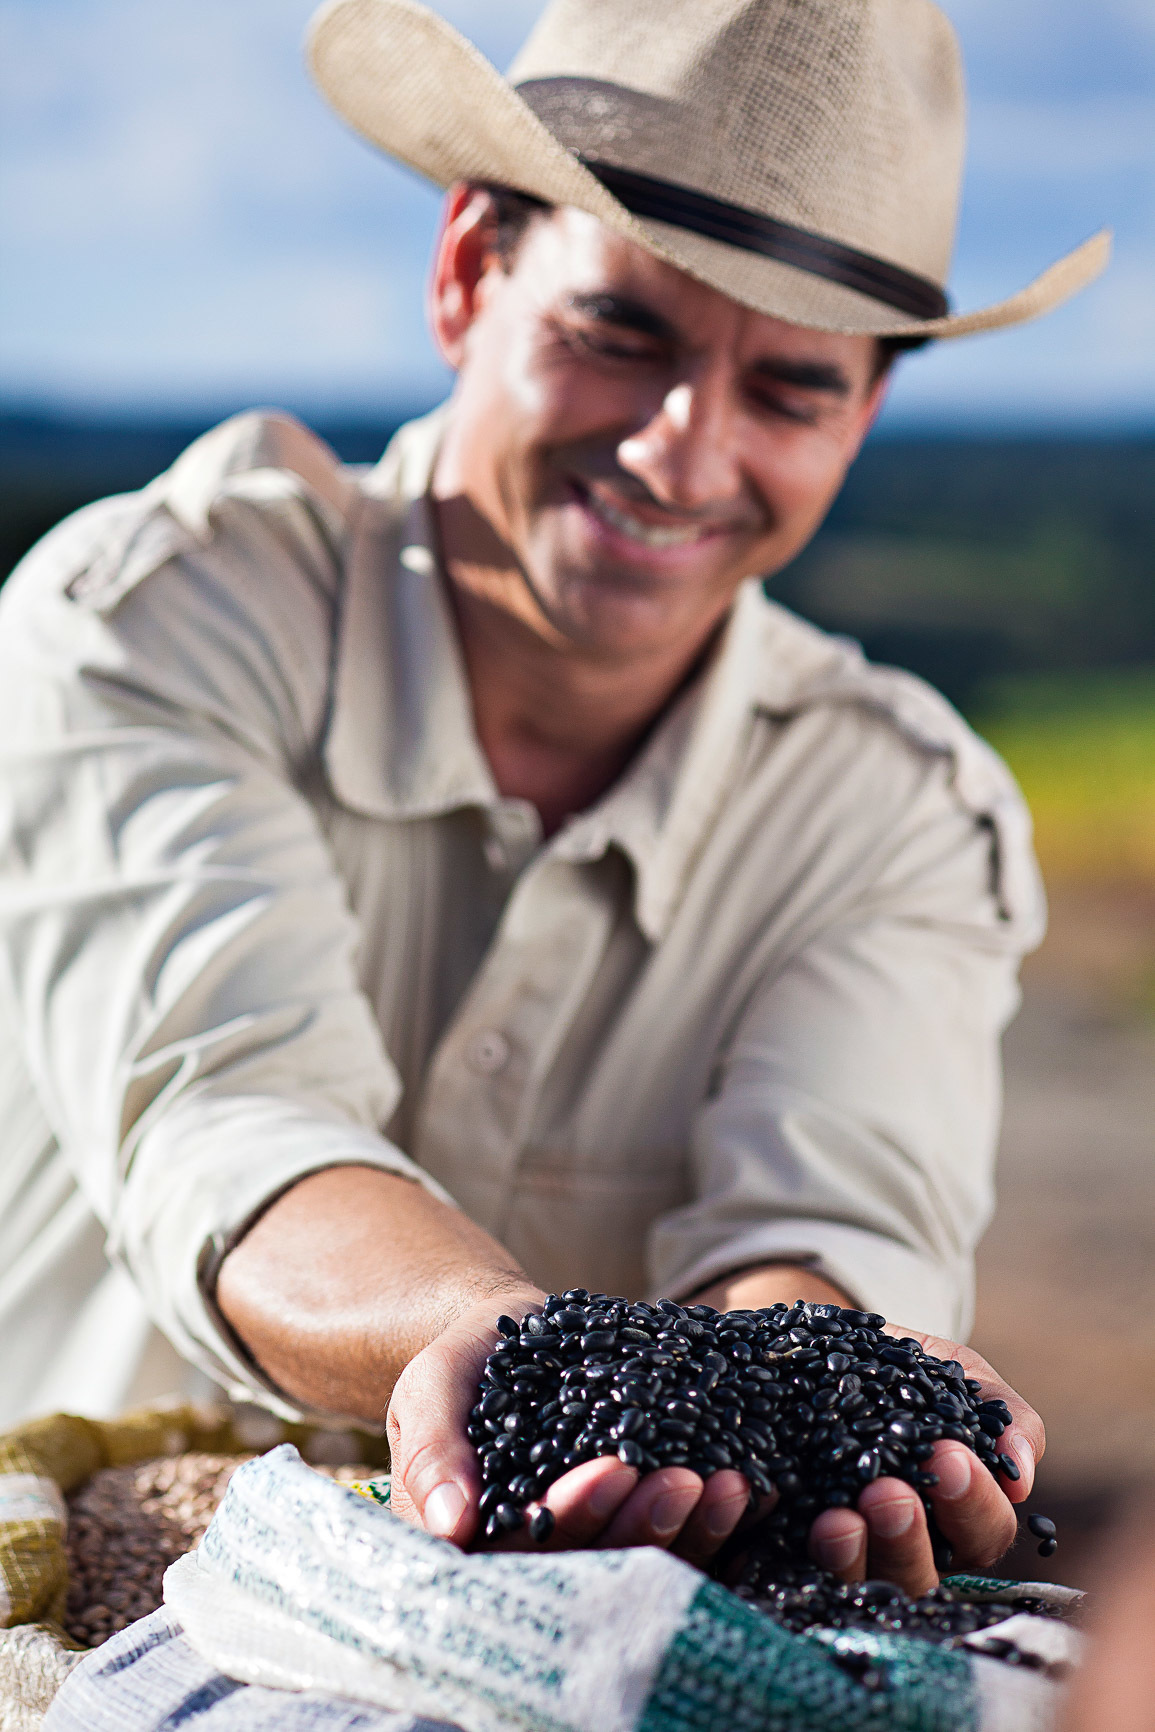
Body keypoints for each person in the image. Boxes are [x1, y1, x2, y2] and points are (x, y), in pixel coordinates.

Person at [0, 0, 1107, 1593]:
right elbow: (235, 1113)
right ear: (467, 273)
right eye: (620, 333)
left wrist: (803, 1395)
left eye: (790, 389)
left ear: (864, 415)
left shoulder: (898, 812)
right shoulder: (152, 624)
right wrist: (484, 1340)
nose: (679, 450)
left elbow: (822, 1221)